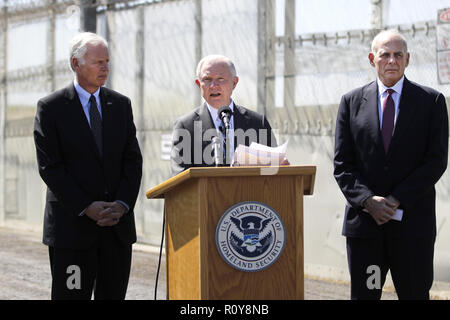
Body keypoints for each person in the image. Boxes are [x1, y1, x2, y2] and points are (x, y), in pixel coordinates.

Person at [334, 29, 448, 300]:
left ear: (408, 59)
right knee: (366, 295)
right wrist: (367, 201)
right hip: (366, 228)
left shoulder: (431, 102)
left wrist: (395, 200)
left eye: (398, 55)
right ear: (372, 59)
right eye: (385, 55)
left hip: (412, 228)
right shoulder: (351, 103)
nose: (392, 61)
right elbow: (342, 164)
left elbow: (435, 161)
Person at [33, 32, 142, 300]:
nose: (105, 68)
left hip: (115, 229)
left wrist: (122, 204)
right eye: (97, 62)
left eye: (107, 61)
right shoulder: (52, 107)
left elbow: (132, 160)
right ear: (76, 64)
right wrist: (87, 207)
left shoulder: (120, 105)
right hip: (73, 231)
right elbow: (50, 167)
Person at [171, 54, 279, 174]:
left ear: (234, 83)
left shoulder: (258, 123)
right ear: (198, 84)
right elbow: (179, 178)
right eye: (207, 80)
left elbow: (275, 169)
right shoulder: (186, 126)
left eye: (220, 79)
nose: (213, 86)